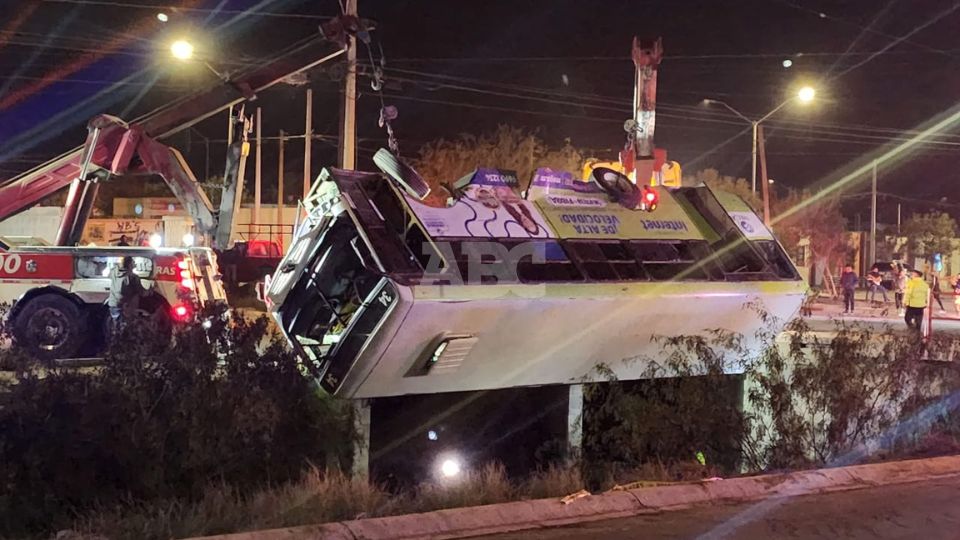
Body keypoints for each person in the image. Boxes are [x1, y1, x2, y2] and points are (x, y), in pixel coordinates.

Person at [107, 256, 146, 333]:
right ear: (130, 265)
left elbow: (109, 275)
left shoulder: (114, 271)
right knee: (126, 327)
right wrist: (149, 290)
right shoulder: (133, 277)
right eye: (133, 262)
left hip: (113, 303)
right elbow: (141, 292)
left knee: (115, 325)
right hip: (126, 306)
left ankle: (114, 338)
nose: (134, 264)